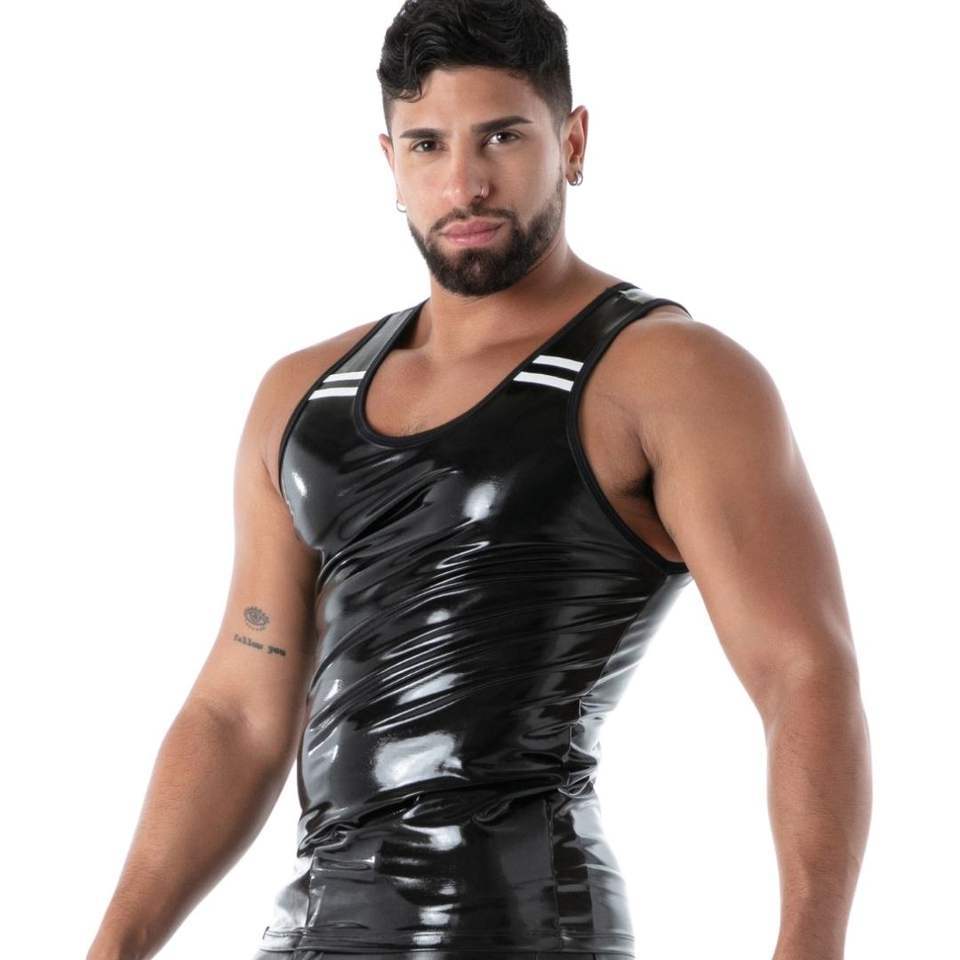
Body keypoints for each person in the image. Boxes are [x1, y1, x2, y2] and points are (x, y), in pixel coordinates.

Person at [87, 2, 872, 959]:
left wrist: (810, 947)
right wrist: (112, 948)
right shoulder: (300, 398)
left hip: (524, 929)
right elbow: (239, 712)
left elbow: (803, 671)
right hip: (311, 934)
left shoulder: (669, 375)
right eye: (428, 145)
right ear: (390, 163)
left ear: (571, 142)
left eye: (502, 136)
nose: (464, 184)